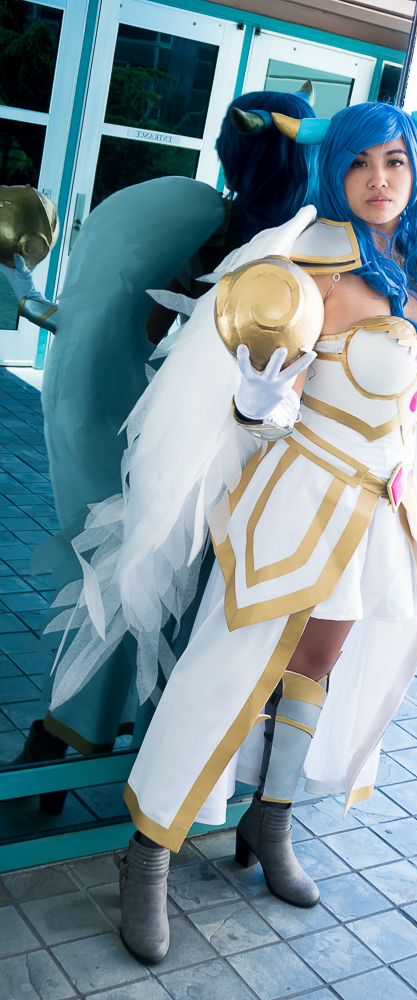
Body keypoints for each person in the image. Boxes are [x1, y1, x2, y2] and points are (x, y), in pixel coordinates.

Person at [46, 100, 417, 964]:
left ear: (416, 171)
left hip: (377, 513)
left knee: (316, 669)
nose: (378, 180)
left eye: (394, 161)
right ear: (332, 172)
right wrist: (259, 396)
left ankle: (269, 827)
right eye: (358, 163)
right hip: (293, 503)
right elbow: (250, 406)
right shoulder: (313, 265)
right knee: (221, 676)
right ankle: (147, 854)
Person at [0, 86, 318, 812]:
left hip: (183, 439)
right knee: (172, 598)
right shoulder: (289, 241)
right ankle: (143, 767)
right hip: (246, 453)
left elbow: (141, 332)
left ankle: (66, 746)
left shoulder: (209, 223)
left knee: (129, 583)